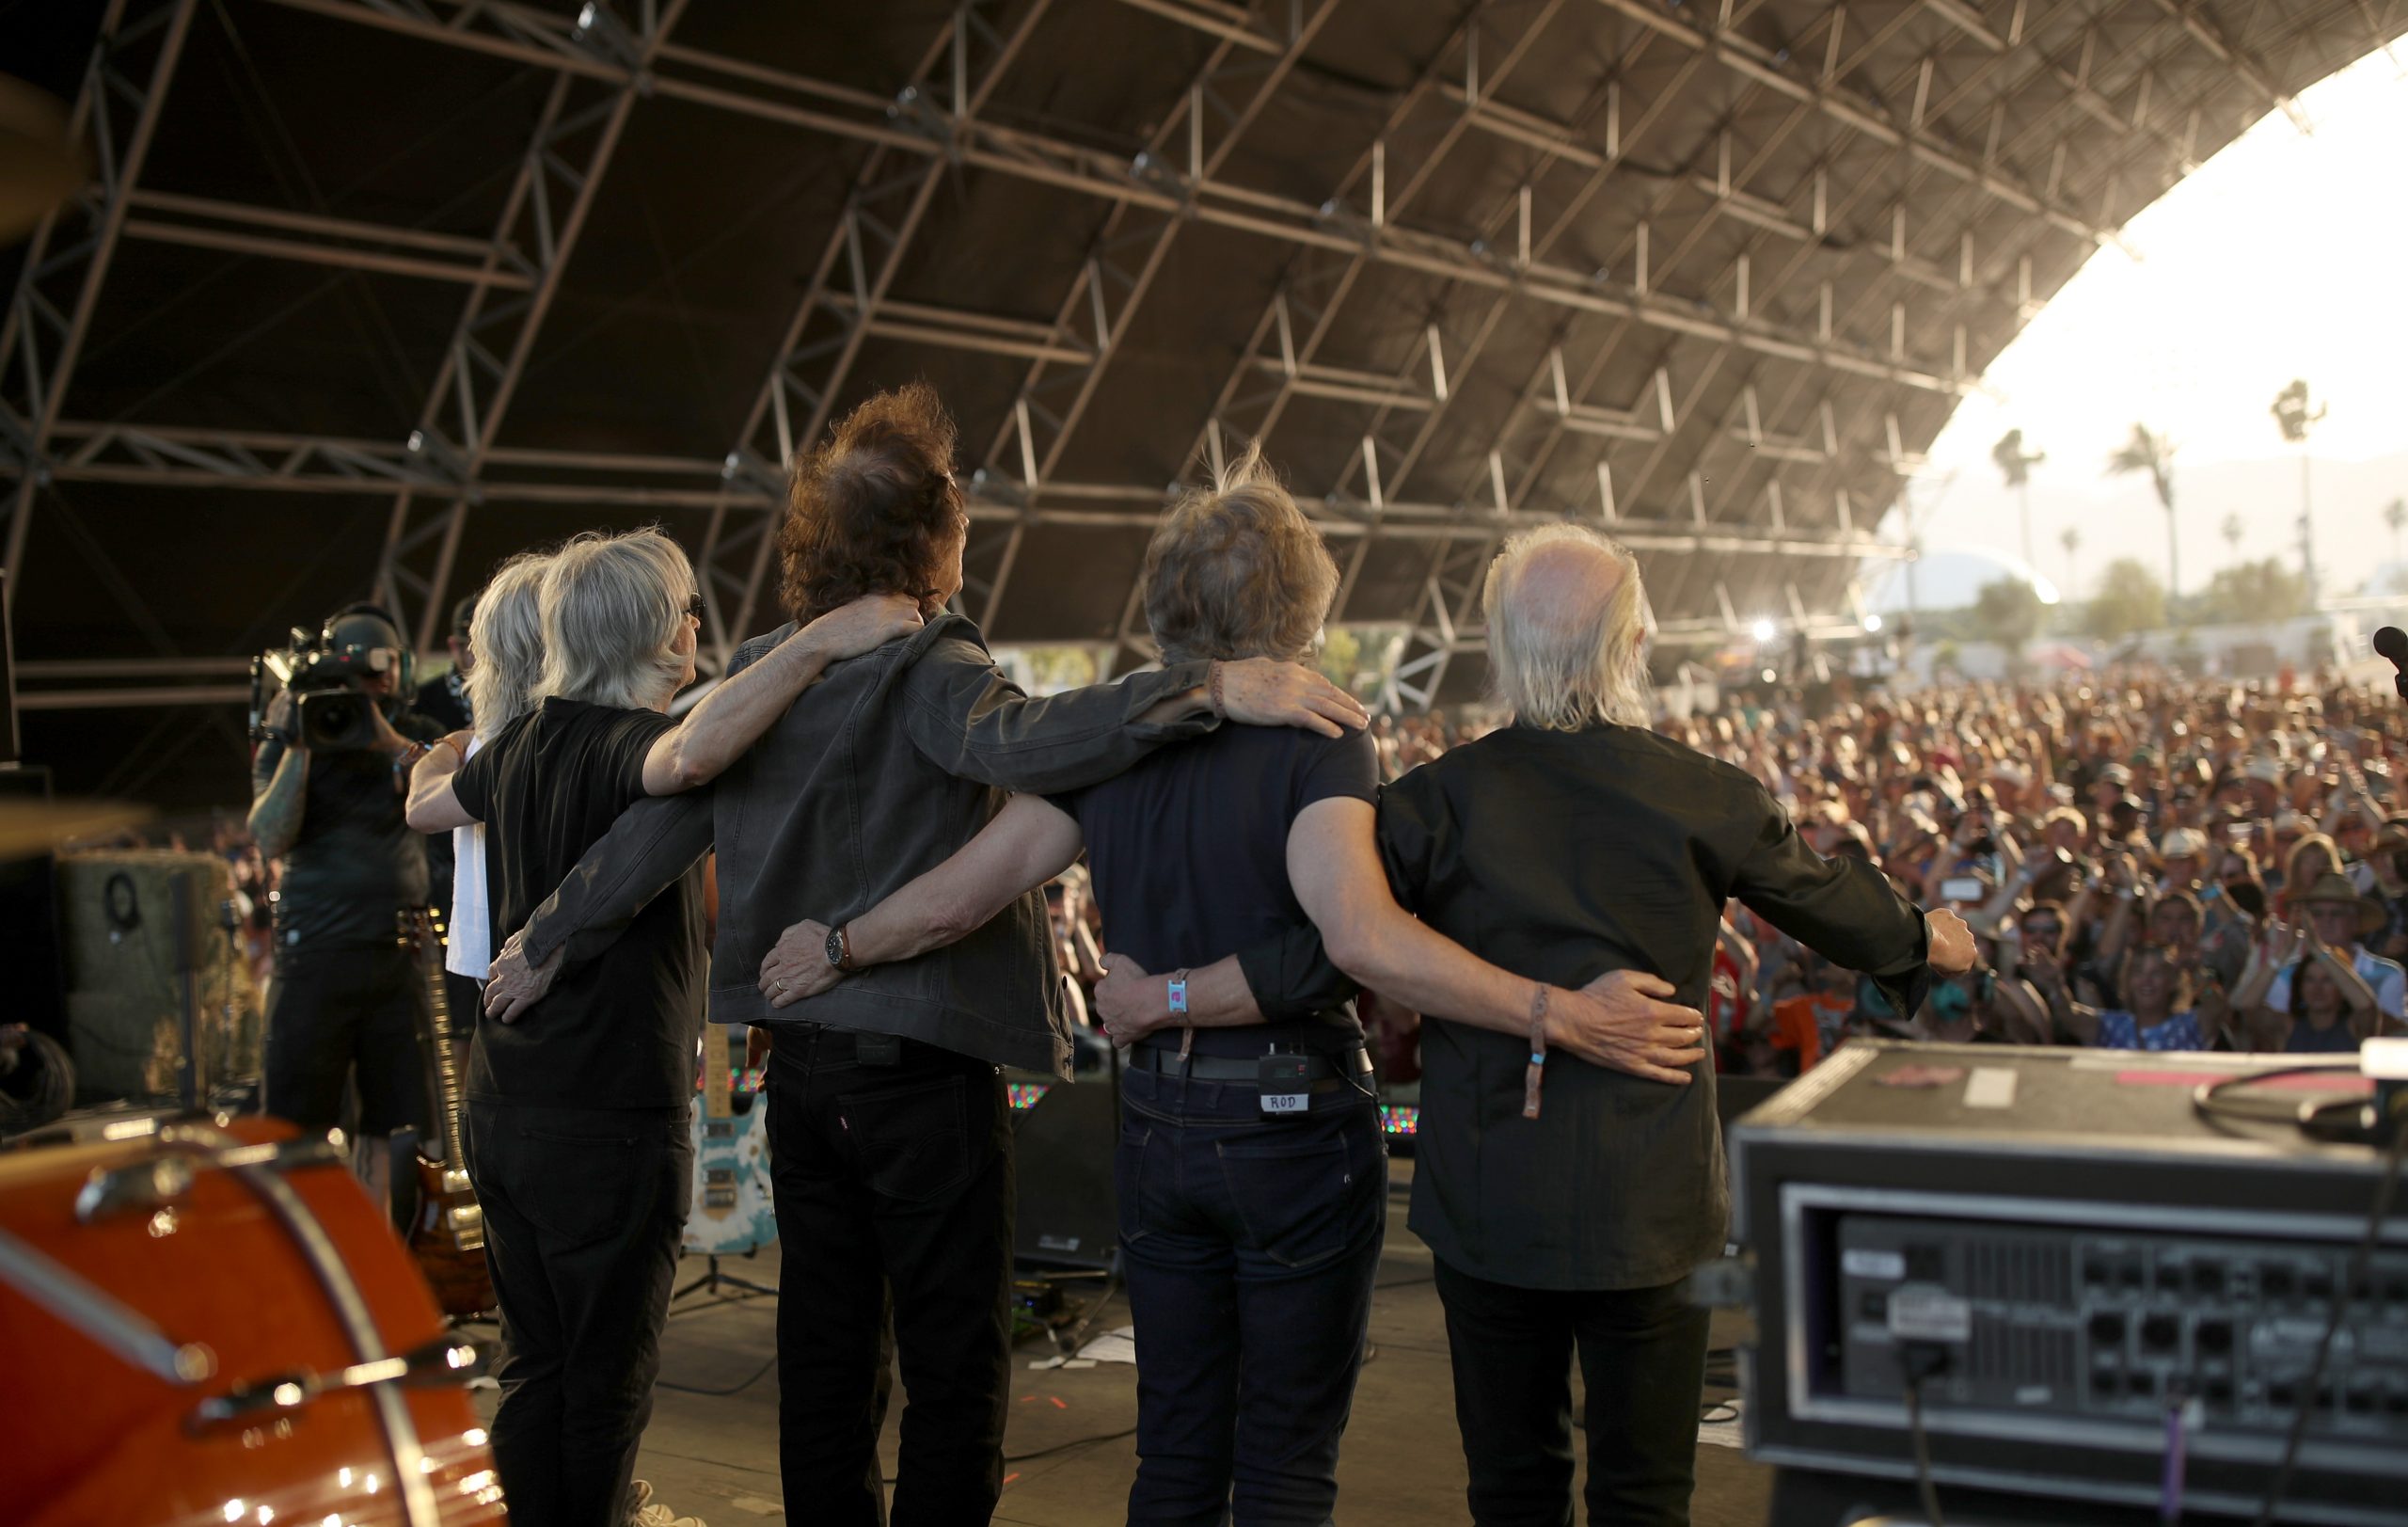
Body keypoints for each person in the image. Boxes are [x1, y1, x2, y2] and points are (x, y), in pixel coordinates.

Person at [748, 446, 1705, 1525]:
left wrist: (837, 947)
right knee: (1287, 1460)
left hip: (1157, 1126)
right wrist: (1557, 1012)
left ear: (1168, 600)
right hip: (1289, 1125)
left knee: (1175, 1454)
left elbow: (958, 897)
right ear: (1302, 602)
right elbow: (1362, 941)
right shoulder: (1320, 739)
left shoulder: (1117, 746)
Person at [477, 385, 1368, 1527]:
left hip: (801, 1080)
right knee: (954, 1366)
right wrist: (1203, 685)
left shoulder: (765, 665)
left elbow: (659, 824)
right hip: (921, 1074)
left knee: (825, 1360)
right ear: (928, 539)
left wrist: (550, 935)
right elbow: (1022, 739)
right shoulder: (927, 657)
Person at [1142, 522, 1965, 1527]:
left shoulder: (1431, 805)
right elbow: (1837, 908)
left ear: (1502, 651)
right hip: (1652, 1213)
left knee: (1513, 1489)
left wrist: (1168, 996)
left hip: (1491, 1209)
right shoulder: (1707, 797)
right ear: (1628, 648)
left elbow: (1322, 950)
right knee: (1646, 1495)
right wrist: (1929, 937)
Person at [404, 527, 926, 1527]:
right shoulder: (619, 747)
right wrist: (818, 643)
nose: (697, 624)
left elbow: (428, 803)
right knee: (603, 1381)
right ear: (660, 637)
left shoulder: (510, 745)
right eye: (685, 610)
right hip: (606, 1115)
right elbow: (694, 751)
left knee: (534, 1367)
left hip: (502, 1105)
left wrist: (430, 755)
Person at [248, 602, 447, 1205]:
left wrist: (382, 736)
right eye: (366, 675)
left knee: (402, 1124)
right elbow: (269, 835)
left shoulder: (412, 734)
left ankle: (396, 1259)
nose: (378, 686)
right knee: (293, 1122)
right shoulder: (287, 741)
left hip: (396, 953)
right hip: (315, 954)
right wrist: (303, 742)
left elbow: (441, 797)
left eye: (388, 670)